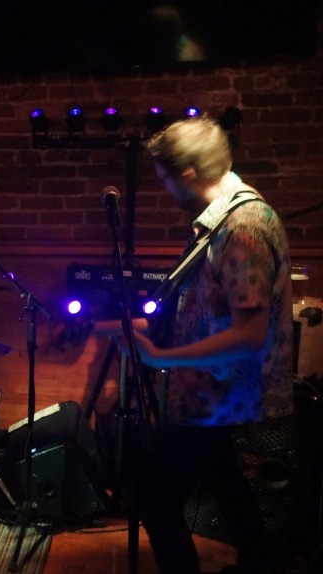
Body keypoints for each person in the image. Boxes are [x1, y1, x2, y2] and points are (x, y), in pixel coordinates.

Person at [134, 116, 293, 574]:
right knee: (229, 488)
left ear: (186, 173)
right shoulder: (223, 220)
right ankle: (260, 564)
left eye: (163, 178)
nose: (165, 189)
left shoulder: (243, 228)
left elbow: (249, 335)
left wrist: (163, 358)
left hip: (222, 400)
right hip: (214, 397)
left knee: (157, 500)